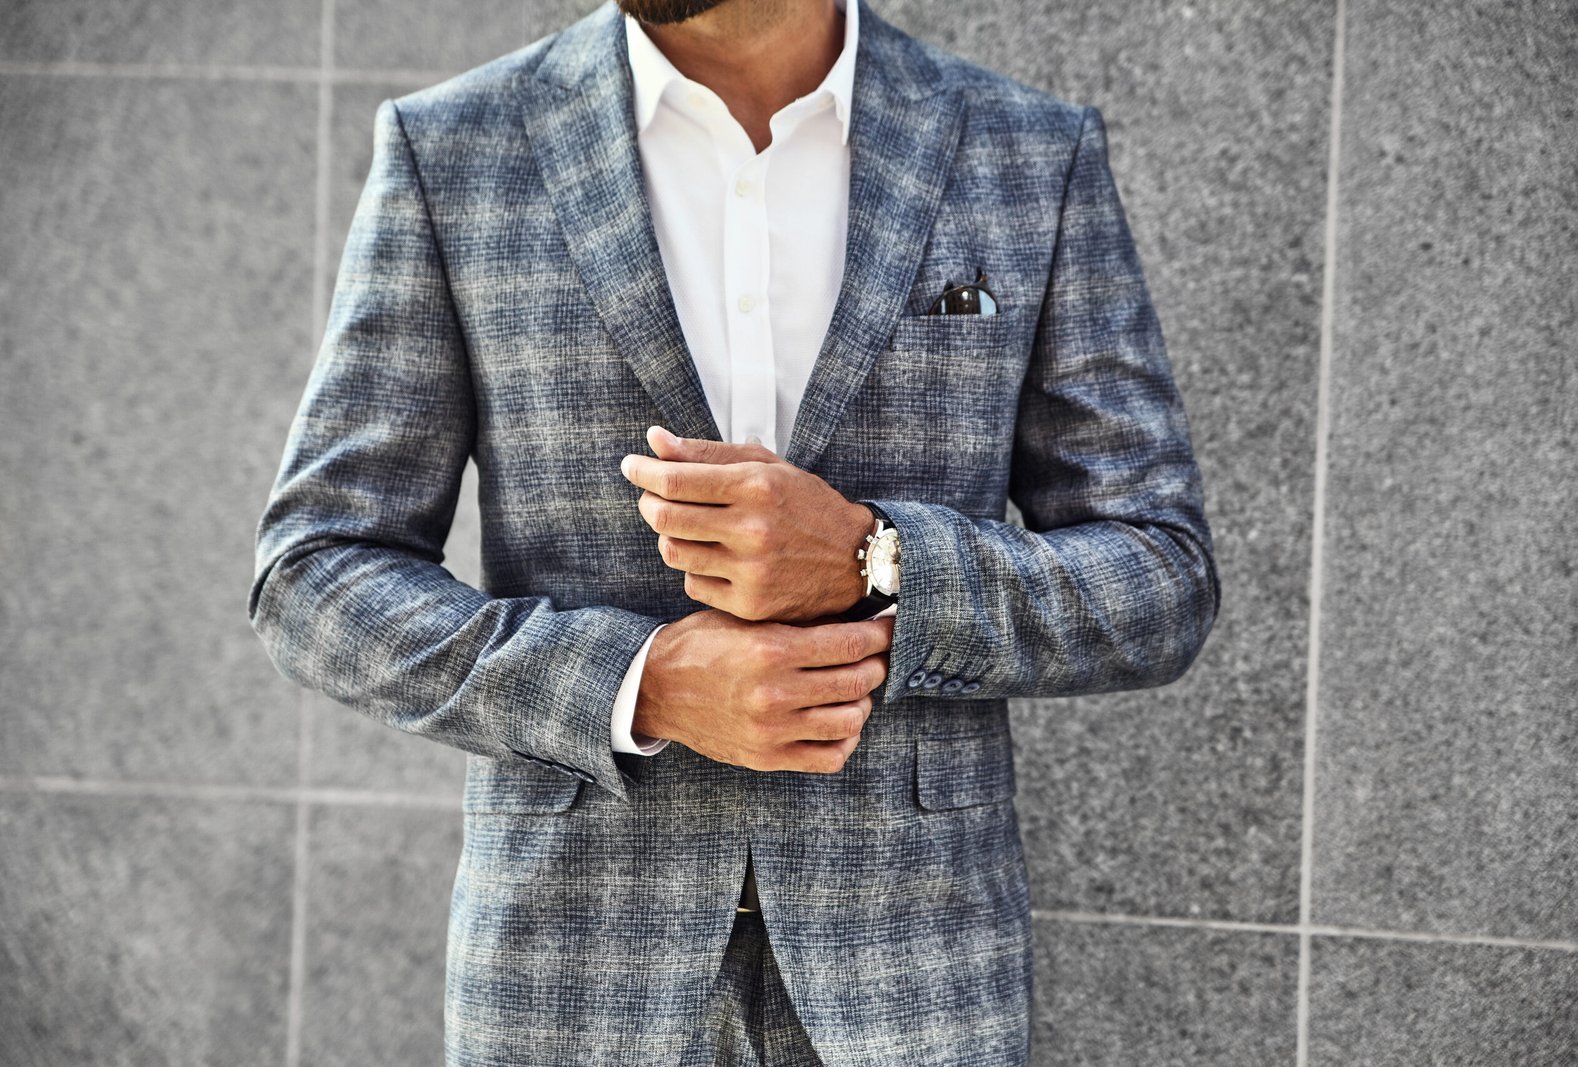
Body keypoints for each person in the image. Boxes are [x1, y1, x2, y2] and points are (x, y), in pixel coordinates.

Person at [247, 0, 1220, 1061]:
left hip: (918, 977)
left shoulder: (1024, 152)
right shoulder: (457, 150)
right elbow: (314, 573)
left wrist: (876, 560)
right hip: (570, 977)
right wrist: (638, 683)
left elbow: (1160, 575)